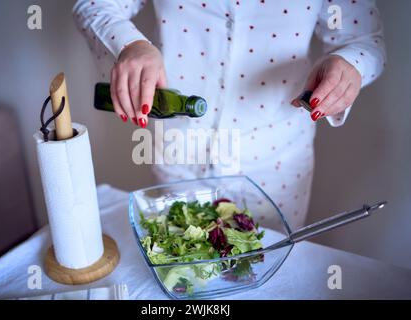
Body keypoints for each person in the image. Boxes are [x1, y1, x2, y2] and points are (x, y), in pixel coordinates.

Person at [73, 0, 385, 230]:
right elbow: (94, 4)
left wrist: (349, 65)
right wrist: (131, 44)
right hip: (178, 153)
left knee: (266, 276)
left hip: (276, 164)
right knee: (182, 272)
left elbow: (364, 40)